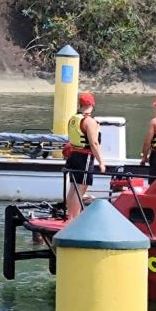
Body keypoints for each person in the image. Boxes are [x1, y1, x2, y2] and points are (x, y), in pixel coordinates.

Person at [65, 91, 106, 220]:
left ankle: (69, 215)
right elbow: (94, 143)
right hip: (84, 157)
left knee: (73, 187)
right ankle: (74, 218)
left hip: (74, 155)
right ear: (92, 104)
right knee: (81, 189)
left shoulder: (73, 119)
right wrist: (101, 162)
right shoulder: (89, 121)